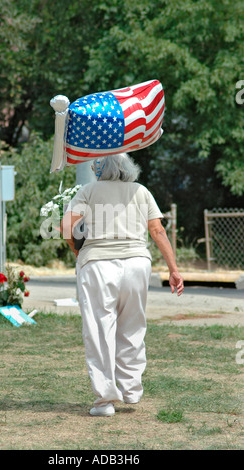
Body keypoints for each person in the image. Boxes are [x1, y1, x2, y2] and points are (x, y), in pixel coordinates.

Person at [61, 153, 184, 417]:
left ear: (99, 168)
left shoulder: (88, 190)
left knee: (99, 329)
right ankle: (131, 389)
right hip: (137, 264)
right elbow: (158, 231)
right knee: (133, 325)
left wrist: (76, 250)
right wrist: (173, 269)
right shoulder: (141, 191)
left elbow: (66, 227)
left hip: (97, 264)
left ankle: (105, 401)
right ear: (129, 168)